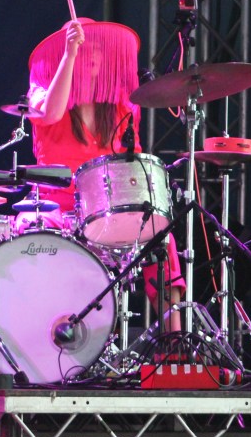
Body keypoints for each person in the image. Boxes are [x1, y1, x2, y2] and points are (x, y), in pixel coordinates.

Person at [23, 17, 185, 327]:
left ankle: (174, 338)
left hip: (105, 212)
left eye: (97, 49)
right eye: (85, 48)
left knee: (160, 235)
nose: (93, 55)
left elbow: (131, 166)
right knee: (34, 232)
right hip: (56, 209)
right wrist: (69, 54)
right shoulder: (42, 91)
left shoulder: (122, 107)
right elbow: (51, 113)